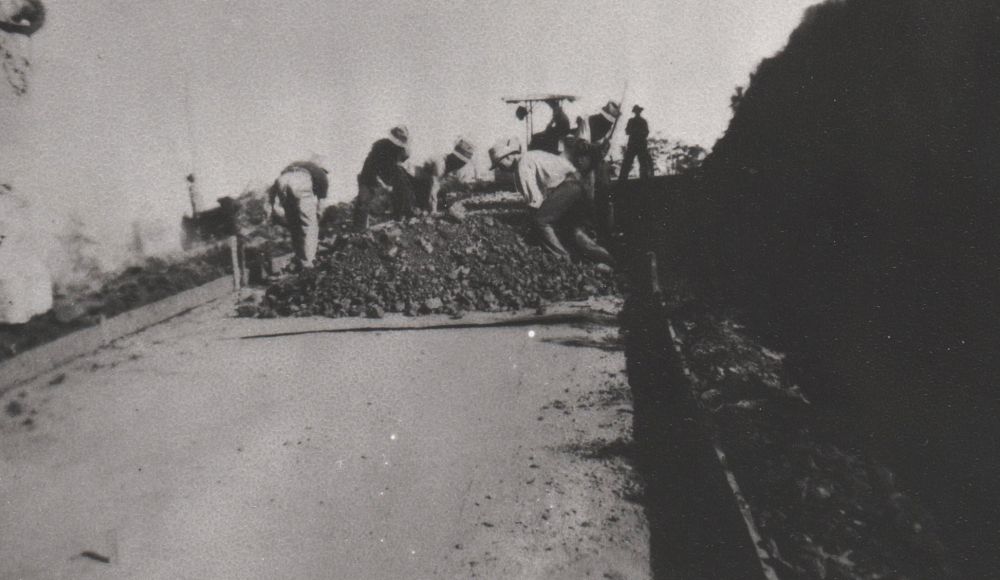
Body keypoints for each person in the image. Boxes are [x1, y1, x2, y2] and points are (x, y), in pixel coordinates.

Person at [489, 136, 613, 265]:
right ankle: (607, 259)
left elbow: (535, 202)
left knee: (540, 221)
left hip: (569, 186)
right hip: (578, 184)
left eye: (499, 164)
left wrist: (530, 227)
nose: (500, 168)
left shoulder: (522, 166)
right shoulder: (531, 156)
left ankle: (563, 260)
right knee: (572, 230)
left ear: (508, 156)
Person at [268, 154, 330, 267]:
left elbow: (273, 188)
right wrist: (317, 217)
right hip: (301, 181)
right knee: (309, 226)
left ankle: (300, 258)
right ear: (322, 168)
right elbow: (321, 204)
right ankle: (309, 263)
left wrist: (272, 206)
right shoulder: (321, 175)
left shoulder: (299, 164)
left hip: (281, 181)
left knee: (294, 225)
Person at [355, 125, 411, 230]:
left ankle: (399, 216)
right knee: (364, 199)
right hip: (370, 173)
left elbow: (401, 162)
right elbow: (371, 170)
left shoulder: (402, 150)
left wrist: (392, 184)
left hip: (388, 171)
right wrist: (383, 185)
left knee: (402, 188)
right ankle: (359, 229)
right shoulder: (379, 147)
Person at [410, 138, 475, 215]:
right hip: (414, 180)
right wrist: (433, 211)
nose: (461, 165)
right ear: (456, 158)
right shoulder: (440, 163)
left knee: (445, 185)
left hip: (425, 181)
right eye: (461, 162)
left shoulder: (449, 164)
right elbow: (434, 187)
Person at [620, 104, 652, 181]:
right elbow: (627, 131)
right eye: (636, 111)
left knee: (643, 162)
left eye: (638, 111)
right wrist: (636, 131)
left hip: (640, 144)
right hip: (633, 144)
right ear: (634, 112)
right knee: (627, 162)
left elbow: (646, 132)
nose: (637, 112)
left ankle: (644, 178)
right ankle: (622, 179)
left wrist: (638, 133)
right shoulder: (631, 121)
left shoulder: (643, 121)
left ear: (639, 112)